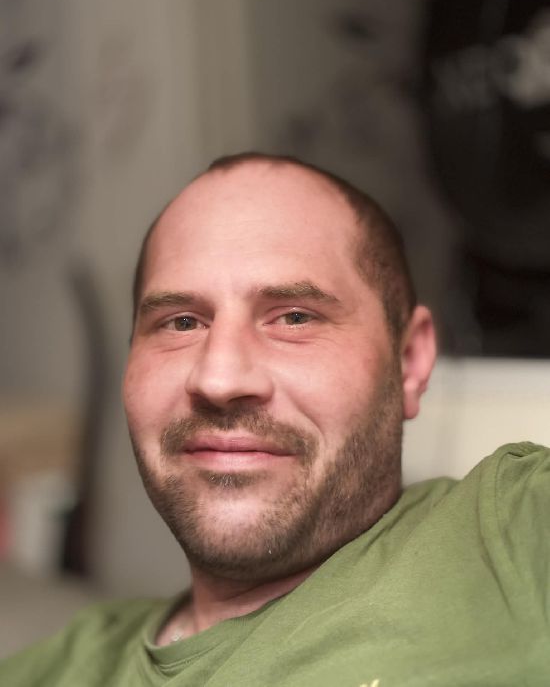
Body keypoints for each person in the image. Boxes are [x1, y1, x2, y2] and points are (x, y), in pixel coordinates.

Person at [1, 153, 548, 686]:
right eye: (181, 322)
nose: (219, 380)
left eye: (294, 317)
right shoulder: (54, 670)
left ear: (409, 362)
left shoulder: (514, 528)